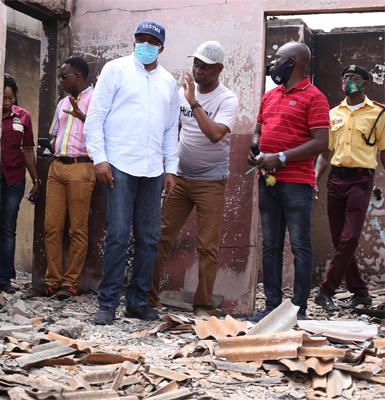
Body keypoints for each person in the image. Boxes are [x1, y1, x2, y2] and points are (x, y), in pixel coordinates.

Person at [84, 21, 179, 325]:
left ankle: (137, 301)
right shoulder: (116, 69)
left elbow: (169, 132)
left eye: (151, 41)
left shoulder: (168, 82)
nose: (144, 44)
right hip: (119, 165)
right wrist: (99, 159)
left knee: (150, 237)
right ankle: (108, 302)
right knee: (118, 234)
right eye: (140, 39)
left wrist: (171, 169)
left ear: (161, 47)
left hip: (152, 169)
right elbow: (95, 117)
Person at [147, 41, 239, 317]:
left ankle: (202, 305)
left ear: (219, 70)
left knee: (207, 247)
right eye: (195, 65)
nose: (197, 71)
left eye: (205, 67)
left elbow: (215, 135)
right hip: (180, 178)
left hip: (211, 182)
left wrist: (193, 102)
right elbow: (170, 130)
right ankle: (148, 299)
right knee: (160, 238)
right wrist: (168, 169)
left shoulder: (227, 99)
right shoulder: (182, 93)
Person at [247, 41, 330, 322]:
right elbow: (258, 131)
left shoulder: (314, 97)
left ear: (292, 62)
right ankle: (271, 308)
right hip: (267, 180)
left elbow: (321, 142)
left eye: (277, 59)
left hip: (296, 184)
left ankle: (297, 310)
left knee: (299, 246)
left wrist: (280, 157)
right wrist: (256, 151)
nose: (272, 64)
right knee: (270, 245)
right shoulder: (270, 96)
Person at [313, 65, 384, 312]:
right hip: (335, 180)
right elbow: (325, 153)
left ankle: (326, 291)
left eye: (353, 78)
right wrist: (315, 179)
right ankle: (361, 293)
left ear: (364, 83)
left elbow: (383, 153)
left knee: (350, 237)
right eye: (345, 78)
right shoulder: (333, 113)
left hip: (361, 182)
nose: (348, 82)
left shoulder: (378, 113)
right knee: (340, 240)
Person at [29, 57, 95, 300]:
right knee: (51, 227)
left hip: (82, 166)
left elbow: (106, 132)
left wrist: (83, 117)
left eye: (63, 75)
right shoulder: (61, 103)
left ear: (77, 76)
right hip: (57, 167)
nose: (60, 80)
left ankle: (71, 282)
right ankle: (52, 281)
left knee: (77, 229)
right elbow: (56, 135)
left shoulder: (96, 101)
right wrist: (48, 149)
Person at [0, 73, 40, 294]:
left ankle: (5, 280)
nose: (6, 103)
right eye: (3, 98)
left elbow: (28, 150)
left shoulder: (23, 117)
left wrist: (36, 180)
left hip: (14, 179)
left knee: (7, 228)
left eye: (10, 98)